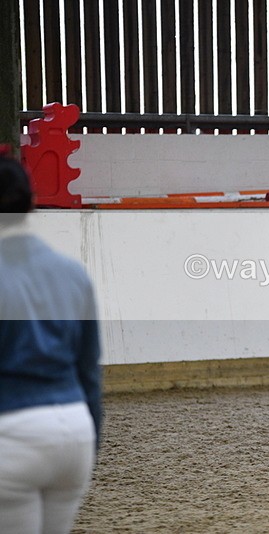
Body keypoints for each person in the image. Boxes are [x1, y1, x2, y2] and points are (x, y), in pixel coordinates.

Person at [0, 153, 103, 534]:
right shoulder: (72, 273)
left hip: (13, 430)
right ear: (31, 203)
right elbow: (89, 370)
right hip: (73, 433)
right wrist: (90, 437)